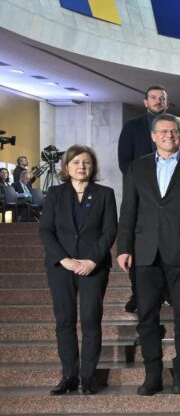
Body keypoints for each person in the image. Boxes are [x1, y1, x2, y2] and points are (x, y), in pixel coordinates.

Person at [116, 114, 180, 395]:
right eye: (163, 131)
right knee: (147, 317)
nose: (168, 135)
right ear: (153, 136)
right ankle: (153, 375)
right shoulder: (137, 167)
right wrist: (123, 248)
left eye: (173, 131)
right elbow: (128, 211)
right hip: (145, 254)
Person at [38, 146, 117, 395]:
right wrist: (64, 259)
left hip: (94, 266)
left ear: (92, 167)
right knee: (65, 321)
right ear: (67, 167)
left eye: (86, 162)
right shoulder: (54, 193)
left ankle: (88, 377)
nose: (81, 166)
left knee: (91, 320)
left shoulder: (105, 193)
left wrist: (92, 260)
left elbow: (110, 231)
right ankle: (69, 375)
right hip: (61, 267)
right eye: (75, 162)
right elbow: (46, 230)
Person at [116, 86, 168, 314]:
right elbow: (124, 161)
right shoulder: (132, 127)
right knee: (140, 249)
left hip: (170, 197)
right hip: (141, 196)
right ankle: (138, 293)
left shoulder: (173, 127)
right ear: (145, 101)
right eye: (154, 98)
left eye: (162, 98)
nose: (158, 101)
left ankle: (167, 292)